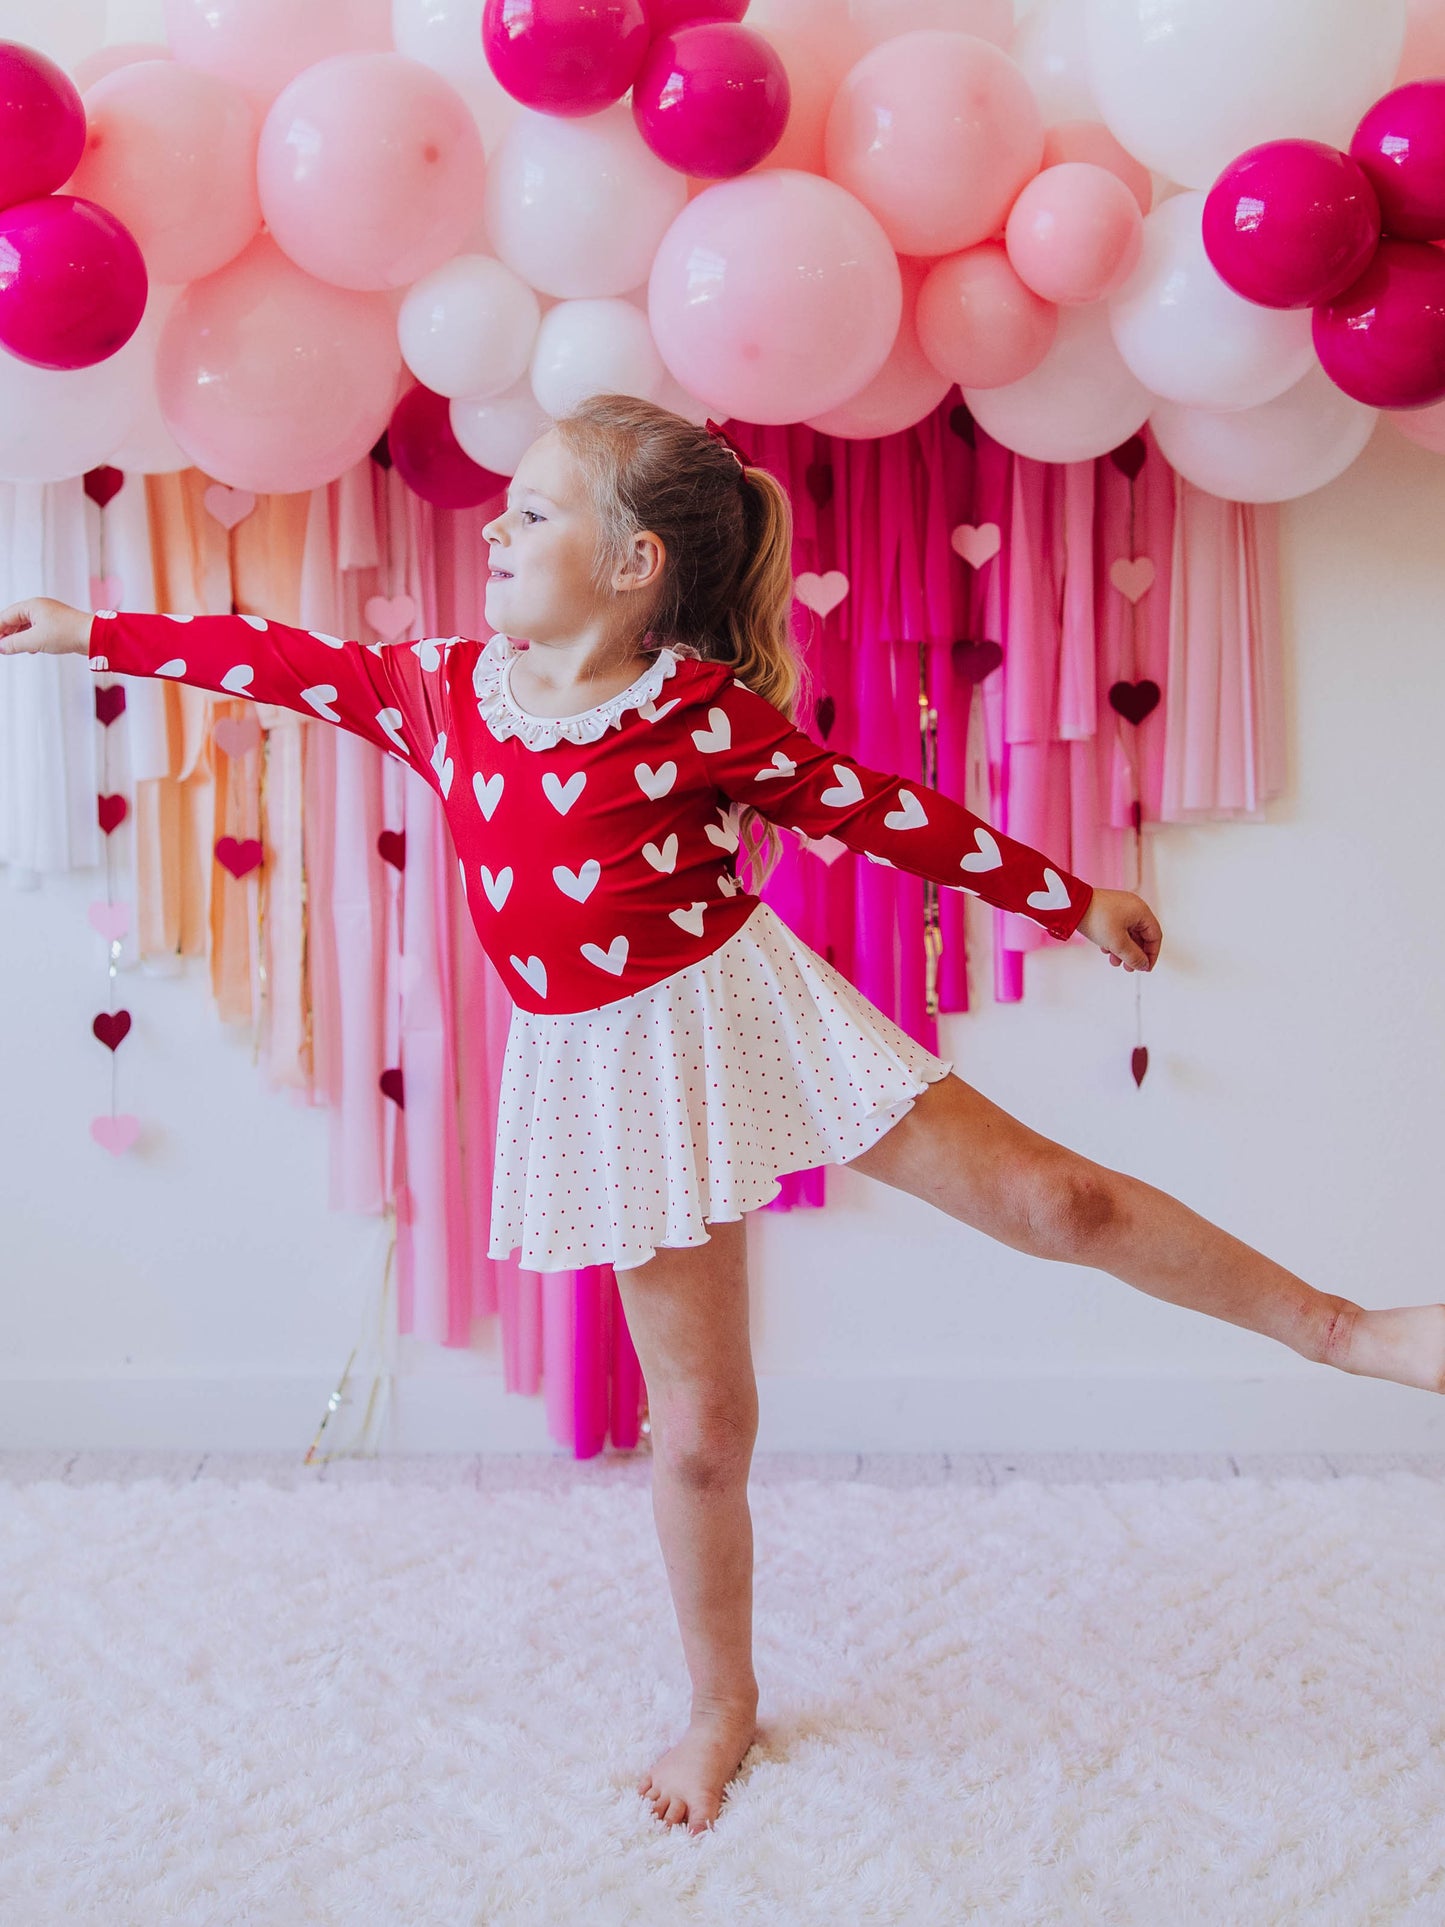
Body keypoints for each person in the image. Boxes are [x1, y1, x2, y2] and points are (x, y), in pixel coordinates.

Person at [4, 393, 1442, 1839]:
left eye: (532, 511)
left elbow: (876, 809)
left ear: (633, 564)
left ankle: (1345, 1330)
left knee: (1055, 1202)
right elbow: (280, 663)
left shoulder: (699, 715)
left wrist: (1067, 899)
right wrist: (87, 629)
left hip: (751, 1014)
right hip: (608, 1081)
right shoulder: (441, 692)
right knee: (698, 1432)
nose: (493, 530)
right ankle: (720, 1702)